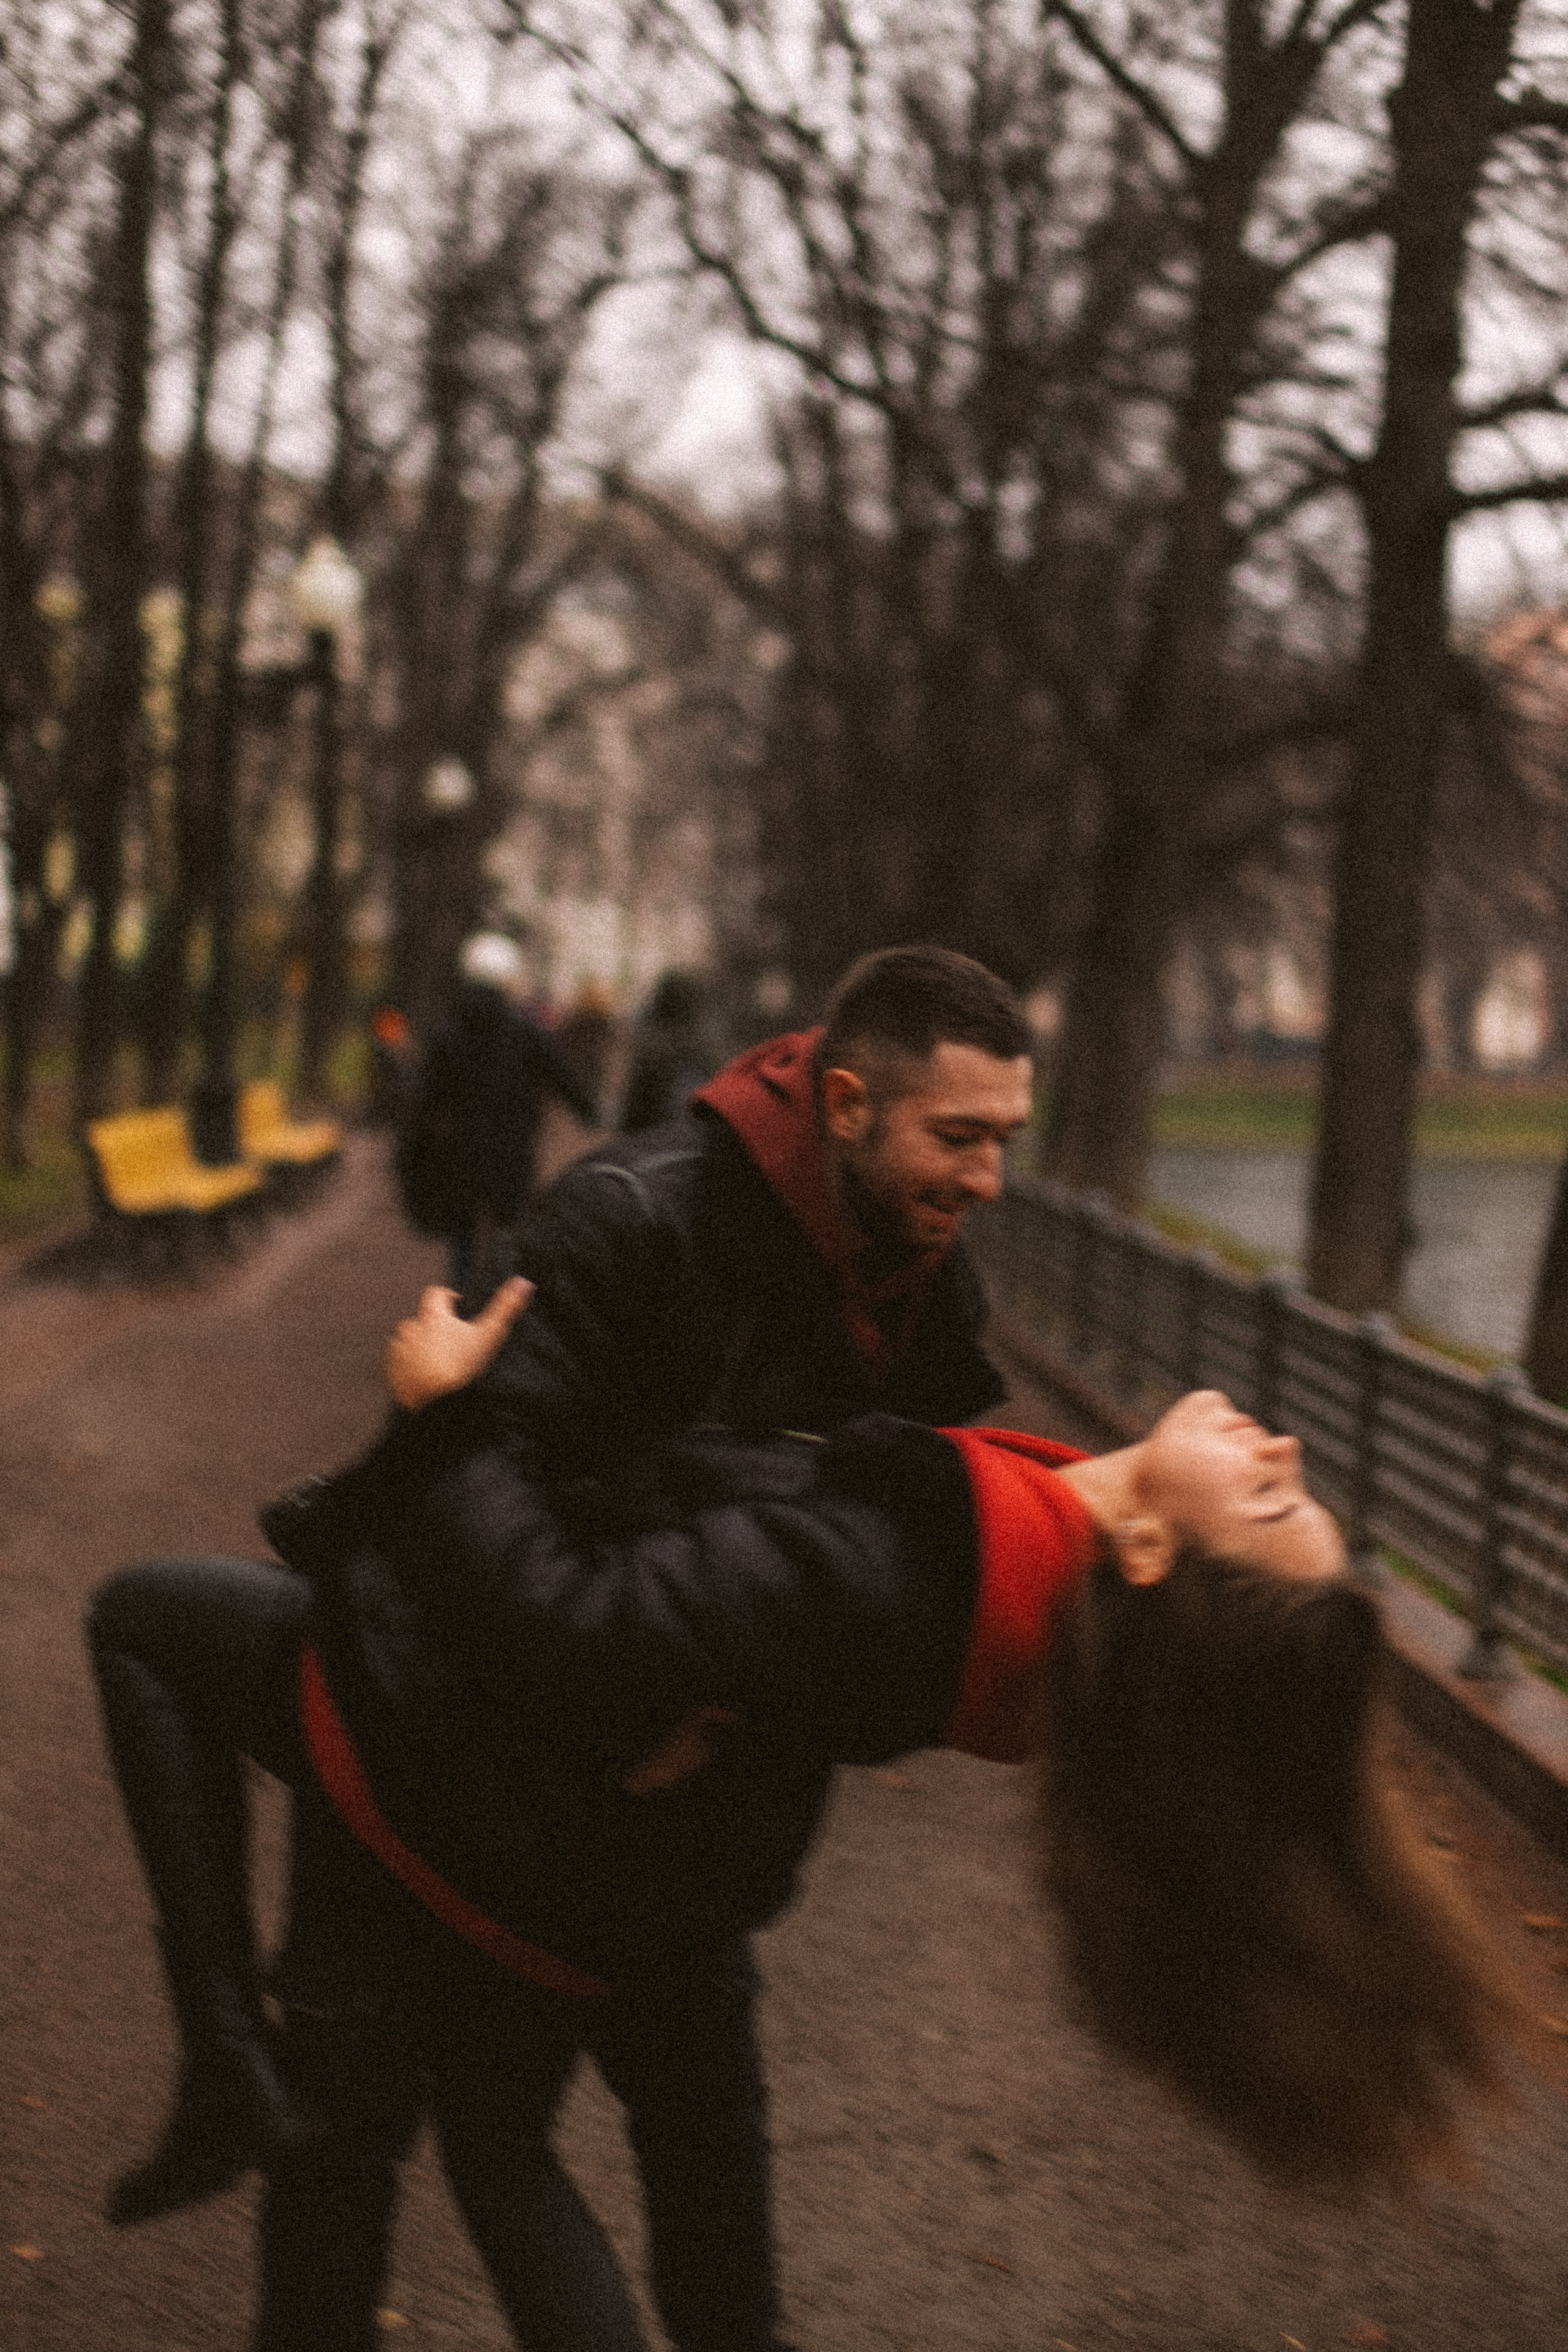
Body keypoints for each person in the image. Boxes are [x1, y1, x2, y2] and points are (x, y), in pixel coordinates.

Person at [89, 1332, 1516, 2352]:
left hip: (462, 1738)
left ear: (1148, 1556)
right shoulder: (1009, 1559)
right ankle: (230, 2060)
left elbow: (577, 1629)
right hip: (604, 1845)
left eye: (1270, 1495)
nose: (1281, 1444)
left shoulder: (907, 1571)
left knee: (140, 1616)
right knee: (507, 2142)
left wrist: (439, 1415)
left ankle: (223, 2052)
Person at [90, 945, 1036, 2348]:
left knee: (677, 2153)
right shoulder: (632, 1218)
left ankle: (234, 2065)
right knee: (358, 2130)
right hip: (436, 1720)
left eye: (1004, 1142)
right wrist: (641, 1713)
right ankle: (238, 2073)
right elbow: (453, 1513)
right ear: (844, 1103)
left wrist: (719, 1712)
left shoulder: (929, 1301)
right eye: (957, 1137)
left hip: (683, 1799)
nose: (986, 1179)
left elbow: (883, 1585)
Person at [393, 932, 600, 1308]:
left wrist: (415, 1148)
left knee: (463, 1240)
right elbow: (564, 1079)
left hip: (459, 1157)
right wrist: (593, 1110)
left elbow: (425, 1098)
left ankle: (458, 1318)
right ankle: (499, 1324)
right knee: (508, 1241)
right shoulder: (526, 1033)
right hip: (511, 1156)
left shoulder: (448, 1034)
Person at [619, 968, 719, 1133]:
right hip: (701, 1142)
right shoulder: (711, 1049)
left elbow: (634, 1111)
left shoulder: (653, 1050)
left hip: (658, 1143)